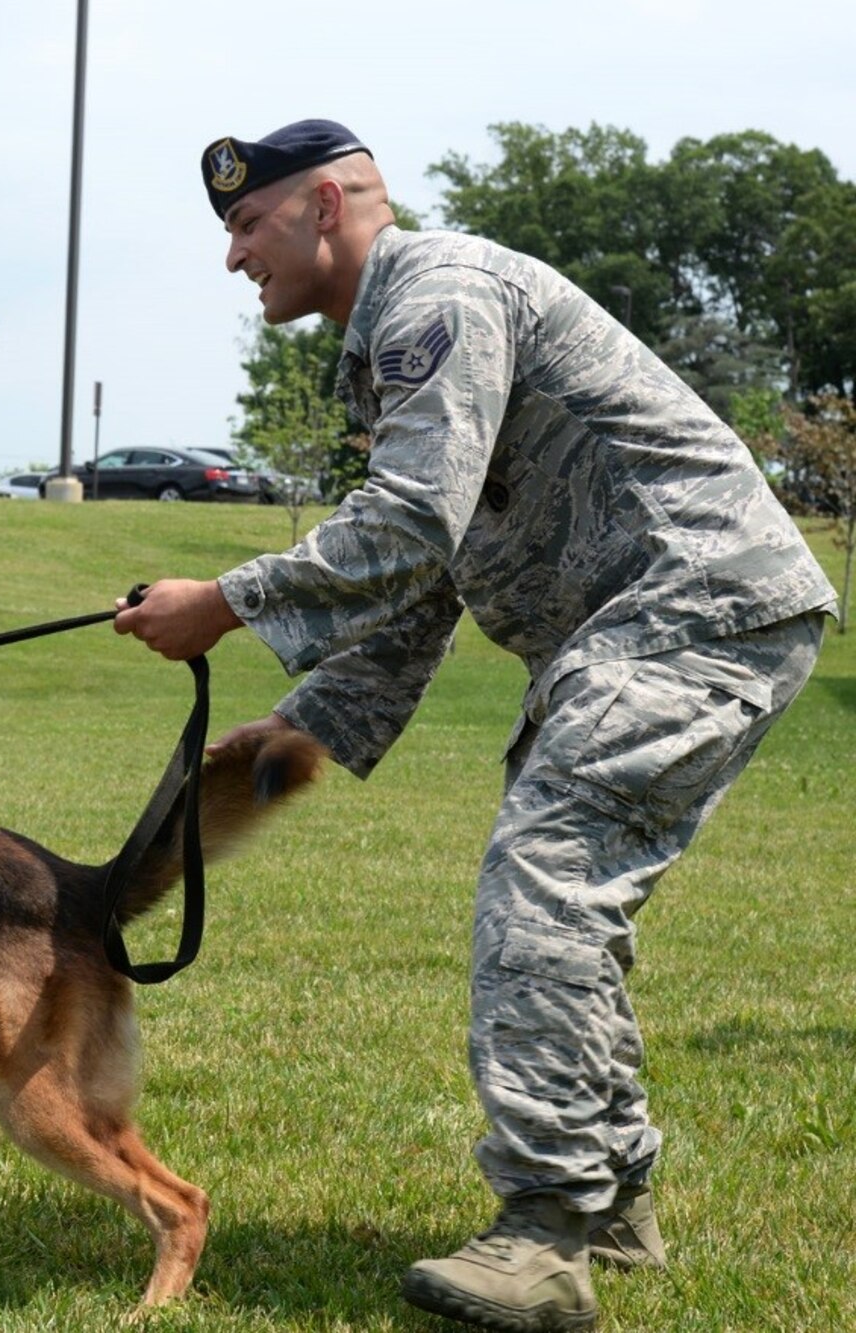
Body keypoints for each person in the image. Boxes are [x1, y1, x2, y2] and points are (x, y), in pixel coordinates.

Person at [115, 120, 836, 1333]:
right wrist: (294, 732)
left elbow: (401, 525)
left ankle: (545, 1236)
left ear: (328, 206)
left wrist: (225, 603)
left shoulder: (435, 296)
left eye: (246, 225)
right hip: (647, 629)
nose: (234, 259)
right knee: (563, 894)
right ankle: (607, 1206)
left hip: (691, 609)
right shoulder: (393, 340)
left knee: (544, 885)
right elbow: (419, 585)